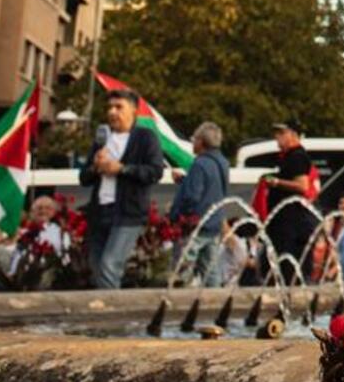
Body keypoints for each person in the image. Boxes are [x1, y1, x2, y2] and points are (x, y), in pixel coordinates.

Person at [78, 86, 164, 289]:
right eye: (109, 108)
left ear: (133, 110)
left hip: (127, 213)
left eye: (118, 107)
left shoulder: (145, 137)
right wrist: (95, 167)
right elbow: (83, 178)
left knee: (110, 265)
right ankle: (105, 309)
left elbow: (154, 172)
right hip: (100, 212)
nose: (112, 112)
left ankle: (108, 317)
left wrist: (122, 169)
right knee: (97, 267)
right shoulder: (102, 139)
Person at [169, 122, 230, 286]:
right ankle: (215, 305)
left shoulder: (199, 164)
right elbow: (213, 189)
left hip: (195, 227)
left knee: (182, 273)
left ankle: (180, 306)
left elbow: (192, 197)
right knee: (211, 273)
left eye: (194, 139)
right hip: (214, 225)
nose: (193, 143)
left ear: (201, 142)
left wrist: (179, 215)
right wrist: (183, 180)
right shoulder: (223, 162)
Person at [261, 120, 315, 278]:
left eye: (281, 133)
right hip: (280, 222)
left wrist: (277, 182)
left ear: (293, 135)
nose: (277, 137)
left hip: (290, 224)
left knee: (287, 266)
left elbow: (302, 185)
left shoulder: (297, 156)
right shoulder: (286, 157)